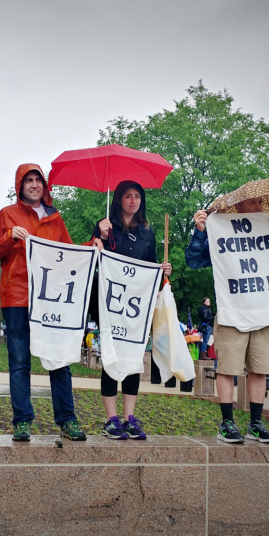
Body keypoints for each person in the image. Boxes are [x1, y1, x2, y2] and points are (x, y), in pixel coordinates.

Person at [0, 163, 87, 442]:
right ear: (20, 185)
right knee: (19, 361)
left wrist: (92, 246)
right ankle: (22, 421)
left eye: (38, 180)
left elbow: (69, 254)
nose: (33, 185)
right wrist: (9, 236)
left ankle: (67, 419)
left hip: (51, 300)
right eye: (28, 180)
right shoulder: (8, 215)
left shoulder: (56, 219)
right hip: (17, 296)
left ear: (44, 185)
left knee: (59, 359)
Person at [185, 196, 269, 444]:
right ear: (238, 207)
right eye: (254, 203)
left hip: (261, 313)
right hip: (231, 312)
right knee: (227, 369)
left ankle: (255, 424)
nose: (259, 207)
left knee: (259, 370)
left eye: (261, 203)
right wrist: (201, 231)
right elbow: (193, 260)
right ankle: (227, 423)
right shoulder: (221, 230)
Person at [88, 180, 172, 440]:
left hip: (136, 306)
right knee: (112, 357)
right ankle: (111, 418)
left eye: (137, 196)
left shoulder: (147, 232)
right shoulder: (106, 226)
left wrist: (162, 272)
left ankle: (129, 417)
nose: (133, 201)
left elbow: (148, 267)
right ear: (119, 200)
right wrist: (98, 237)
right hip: (109, 303)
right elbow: (91, 257)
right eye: (128, 196)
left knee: (134, 357)